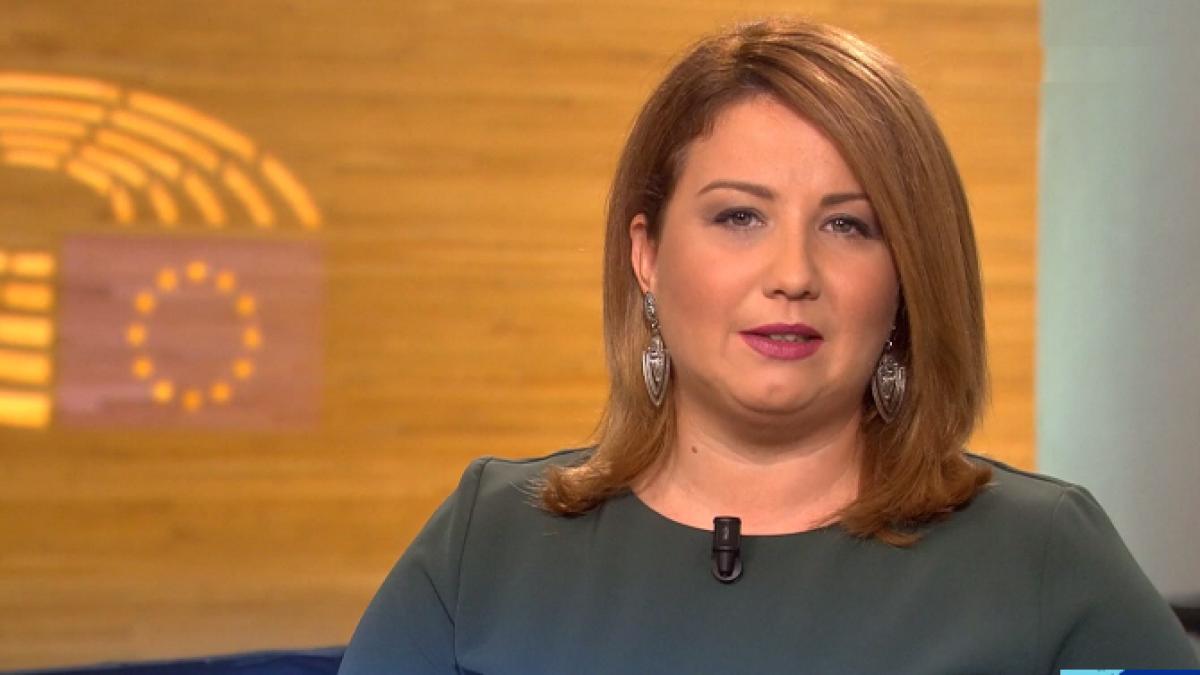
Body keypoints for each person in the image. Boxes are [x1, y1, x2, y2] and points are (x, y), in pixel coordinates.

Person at [339, 18, 1199, 674]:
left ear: (907, 278)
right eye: (739, 216)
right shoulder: (489, 539)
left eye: (849, 225)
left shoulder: (1044, 555)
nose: (793, 273)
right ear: (647, 254)